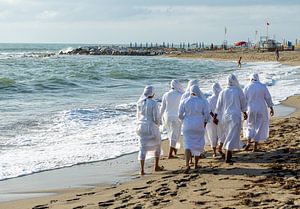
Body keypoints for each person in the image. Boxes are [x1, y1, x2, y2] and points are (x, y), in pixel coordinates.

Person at [215, 74, 248, 164]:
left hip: (225, 116)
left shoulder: (223, 92)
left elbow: (218, 106)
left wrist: (215, 116)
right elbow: (243, 103)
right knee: (232, 135)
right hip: (235, 116)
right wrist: (245, 112)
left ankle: (228, 153)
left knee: (229, 134)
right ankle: (227, 156)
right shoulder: (238, 91)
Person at [179, 85, 210, 173]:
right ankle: (196, 165)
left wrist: (185, 119)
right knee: (198, 144)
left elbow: (180, 115)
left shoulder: (184, 101)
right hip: (199, 124)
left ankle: (187, 165)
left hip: (187, 125)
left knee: (187, 145)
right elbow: (207, 115)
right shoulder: (202, 101)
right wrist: (204, 123)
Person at [136, 85, 163, 175]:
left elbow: (138, 116)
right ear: (153, 93)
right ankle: (156, 166)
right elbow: (156, 117)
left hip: (140, 126)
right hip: (150, 126)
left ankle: (142, 170)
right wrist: (158, 125)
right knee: (157, 145)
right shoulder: (154, 103)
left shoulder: (139, 102)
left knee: (142, 147)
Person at [243, 73, 274, 152]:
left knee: (250, 125)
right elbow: (268, 98)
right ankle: (255, 147)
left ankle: (248, 142)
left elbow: (243, 100)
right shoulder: (262, 86)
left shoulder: (247, 87)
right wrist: (271, 108)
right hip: (261, 108)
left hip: (250, 109)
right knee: (258, 127)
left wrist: (243, 111)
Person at [160, 80, 184, 158]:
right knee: (175, 134)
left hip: (167, 117)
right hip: (176, 117)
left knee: (170, 134)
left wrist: (159, 118)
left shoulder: (166, 94)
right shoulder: (181, 95)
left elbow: (162, 108)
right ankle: (170, 154)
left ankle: (175, 151)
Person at [205, 83, 225, 158]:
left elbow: (208, 110)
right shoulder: (222, 98)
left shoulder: (209, 99)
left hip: (212, 119)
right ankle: (220, 147)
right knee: (222, 134)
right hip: (221, 118)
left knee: (212, 135)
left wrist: (213, 117)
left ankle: (214, 152)